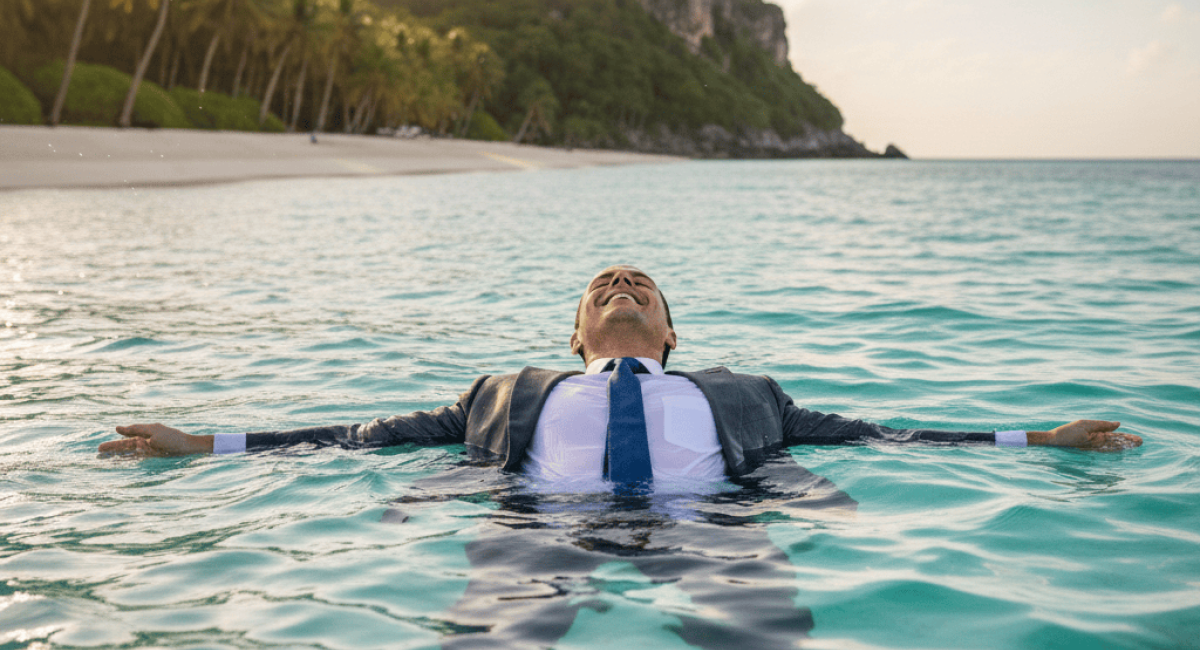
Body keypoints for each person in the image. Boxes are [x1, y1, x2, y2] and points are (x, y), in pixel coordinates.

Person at [99, 264, 1142, 648]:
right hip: (538, 527)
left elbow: (884, 435)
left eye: (640, 282)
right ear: (576, 333)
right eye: (601, 283)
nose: (620, 283)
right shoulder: (503, 393)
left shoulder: (746, 393)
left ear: (671, 329)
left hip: (713, 525)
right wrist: (206, 443)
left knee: (761, 640)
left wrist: (1034, 437)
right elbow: (353, 437)